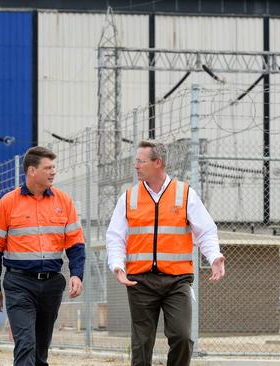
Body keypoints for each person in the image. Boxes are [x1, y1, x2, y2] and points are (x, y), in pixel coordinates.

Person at [106, 140, 225, 366]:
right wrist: (117, 265)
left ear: (157, 163)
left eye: (140, 161)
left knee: (182, 336)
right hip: (139, 282)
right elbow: (115, 237)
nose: (136, 165)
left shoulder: (185, 194)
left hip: (177, 281)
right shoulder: (128, 198)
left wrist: (214, 256)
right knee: (141, 344)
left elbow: (205, 231)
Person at [0, 146, 86, 366]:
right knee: (25, 343)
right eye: (48, 168)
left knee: (41, 350)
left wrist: (77, 274)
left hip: (51, 284)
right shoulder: (8, 202)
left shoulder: (64, 202)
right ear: (32, 171)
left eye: (54, 167)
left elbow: (76, 244)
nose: (53, 172)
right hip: (19, 284)